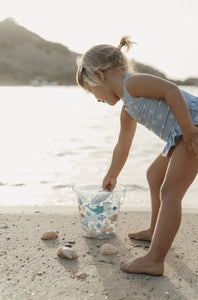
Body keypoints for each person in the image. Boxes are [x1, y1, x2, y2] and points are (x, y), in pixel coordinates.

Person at [76, 36, 198, 276]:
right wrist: (112, 174)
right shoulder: (127, 108)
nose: (97, 99)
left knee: (170, 191)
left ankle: (155, 259)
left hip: (192, 128)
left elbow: (170, 90)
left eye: (92, 92)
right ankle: (155, 231)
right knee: (154, 175)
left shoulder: (132, 84)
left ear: (99, 75)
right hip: (181, 134)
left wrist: (187, 128)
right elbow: (123, 145)